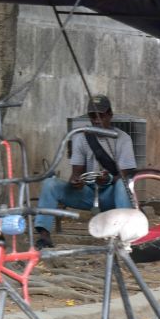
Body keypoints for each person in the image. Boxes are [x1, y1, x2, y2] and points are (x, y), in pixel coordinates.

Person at [33, 94, 137, 248]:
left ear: (110, 115)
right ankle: (44, 235)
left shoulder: (123, 139)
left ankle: (127, 238)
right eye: (92, 116)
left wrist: (107, 179)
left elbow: (126, 175)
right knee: (50, 184)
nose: (96, 120)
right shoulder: (81, 138)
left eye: (100, 116)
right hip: (87, 194)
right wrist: (76, 182)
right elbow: (76, 172)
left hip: (112, 196)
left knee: (123, 184)